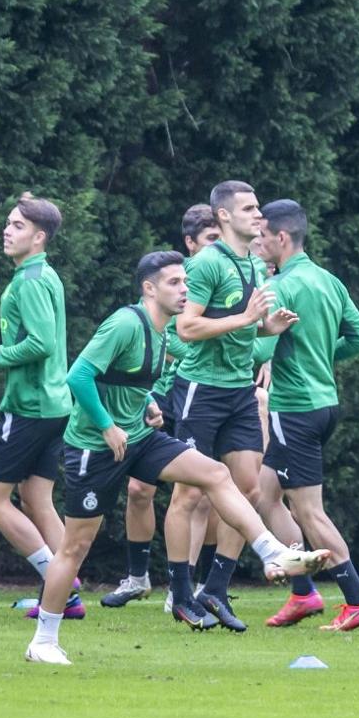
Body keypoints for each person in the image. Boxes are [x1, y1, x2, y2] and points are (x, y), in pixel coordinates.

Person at [24, 252, 329, 664]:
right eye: (173, 283)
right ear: (149, 288)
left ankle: (272, 550)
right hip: (95, 448)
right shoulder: (125, 323)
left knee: (215, 473)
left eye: (185, 282)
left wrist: (148, 402)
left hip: (139, 438)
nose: (184, 289)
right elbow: (78, 375)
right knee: (75, 547)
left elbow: (127, 379)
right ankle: (43, 639)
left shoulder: (162, 331)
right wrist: (106, 425)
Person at [164, 180, 299, 632]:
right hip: (202, 390)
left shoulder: (255, 267)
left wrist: (268, 328)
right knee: (190, 493)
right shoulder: (204, 264)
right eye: (249, 208)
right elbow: (185, 328)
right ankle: (181, 594)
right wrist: (244, 319)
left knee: (249, 490)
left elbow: (246, 330)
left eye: (258, 207)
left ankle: (215, 589)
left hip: (241, 391)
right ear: (223, 216)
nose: (258, 214)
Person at [253, 200, 359, 631]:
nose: (258, 243)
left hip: (295, 409)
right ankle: (303, 594)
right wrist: (322, 357)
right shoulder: (327, 279)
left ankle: (358, 599)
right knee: (265, 495)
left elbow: (261, 349)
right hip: (324, 404)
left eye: (262, 236)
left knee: (309, 512)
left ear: (281, 238)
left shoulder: (280, 287)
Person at [0, 193, 83, 618]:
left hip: (29, 408)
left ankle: (59, 583)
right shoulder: (43, 275)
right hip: (55, 407)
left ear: (38, 237)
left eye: (16, 225)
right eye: (8, 223)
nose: (6, 230)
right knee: (36, 498)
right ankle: (66, 592)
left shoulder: (30, 281)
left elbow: (41, 343)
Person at [103, 203, 220, 609]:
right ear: (190, 244)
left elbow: (243, 343)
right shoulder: (169, 290)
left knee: (196, 493)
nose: (218, 249)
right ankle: (138, 578)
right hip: (156, 397)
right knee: (138, 490)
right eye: (210, 240)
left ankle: (185, 588)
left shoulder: (214, 286)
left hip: (193, 394)